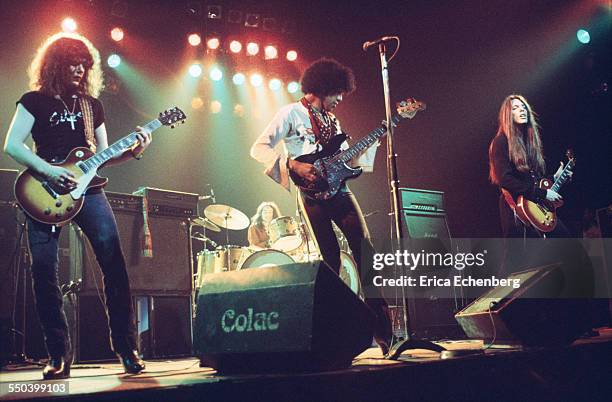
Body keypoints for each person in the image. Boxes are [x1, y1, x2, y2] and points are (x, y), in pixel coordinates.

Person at [3, 32, 150, 379]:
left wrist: (133, 151)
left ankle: (127, 350)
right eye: (73, 63)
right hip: (44, 190)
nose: (80, 70)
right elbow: (12, 144)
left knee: (114, 265)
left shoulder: (91, 106)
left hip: (89, 193)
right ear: (55, 64)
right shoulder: (33, 101)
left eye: (84, 64)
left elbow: (101, 156)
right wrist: (51, 171)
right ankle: (58, 355)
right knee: (44, 272)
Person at [250, 58, 392, 354]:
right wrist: (292, 165)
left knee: (365, 251)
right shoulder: (289, 113)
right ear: (323, 88)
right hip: (311, 196)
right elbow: (258, 148)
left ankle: (383, 331)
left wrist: (373, 141)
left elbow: (345, 160)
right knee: (330, 261)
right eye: (338, 92)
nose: (340, 99)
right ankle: (333, 332)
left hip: (340, 191)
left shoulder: (333, 122)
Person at [488, 94, 571, 273]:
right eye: (516, 108)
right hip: (515, 207)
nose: (522, 110)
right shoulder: (501, 142)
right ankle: (503, 299)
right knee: (515, 259)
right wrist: (542, 194)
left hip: (535, 205)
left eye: (523, 107)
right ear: (507, 115)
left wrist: (554, 177)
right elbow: (505, 179)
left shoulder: (529, 142)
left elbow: (533, 179)